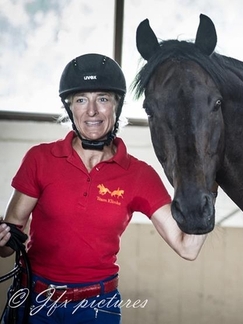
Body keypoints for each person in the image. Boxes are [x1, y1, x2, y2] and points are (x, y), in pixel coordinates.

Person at [0, 53, 207, 323]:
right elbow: (7, 245)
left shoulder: (139, 175)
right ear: (70, 108)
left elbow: (187, 247)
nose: (92, 111)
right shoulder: (40, 159)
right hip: (34, 300)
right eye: (81, 100)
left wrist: (210, 185)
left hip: (97, 307)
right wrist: (3, 237)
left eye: (103, 99)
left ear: (117, 105)